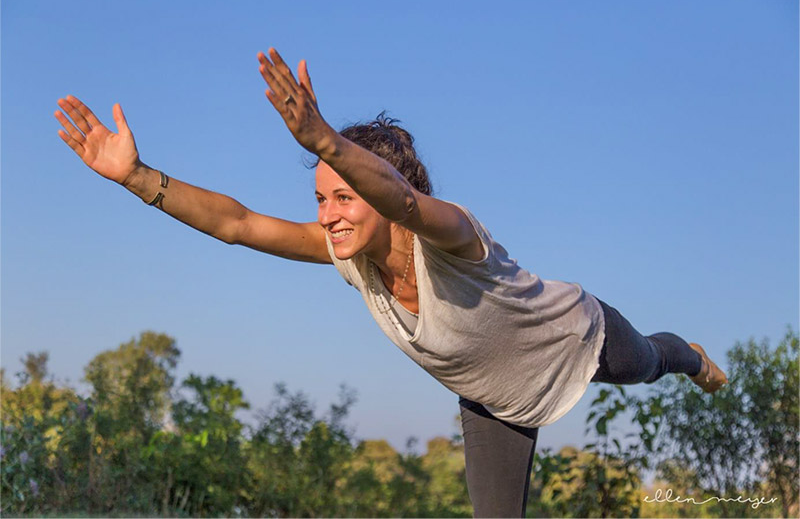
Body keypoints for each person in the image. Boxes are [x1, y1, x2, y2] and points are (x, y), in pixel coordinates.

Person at [55, 47, 728, 518]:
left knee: (648, 364)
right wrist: (140, 179)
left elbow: (405, 203)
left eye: (344, 196)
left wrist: (326, 142)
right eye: (321, 198)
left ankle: (689, 355)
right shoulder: (347, 255)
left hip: (575, 337)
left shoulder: (457, 238)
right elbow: (238, 224)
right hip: (494, 398)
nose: (328, 214)